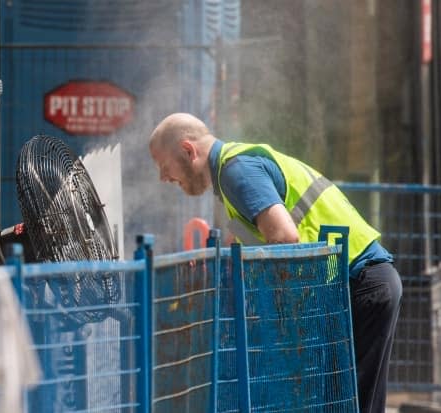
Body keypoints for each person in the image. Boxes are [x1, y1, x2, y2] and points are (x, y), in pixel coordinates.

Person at [149, 112, 402, 412]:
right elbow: (258, 240)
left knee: (347, 403)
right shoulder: (233, 173)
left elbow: (284, 237)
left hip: (360, 284)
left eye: (164, 166)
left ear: (188, 150)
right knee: (342, 402)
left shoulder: (236, 171)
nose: (163, 178)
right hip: (357, 285)